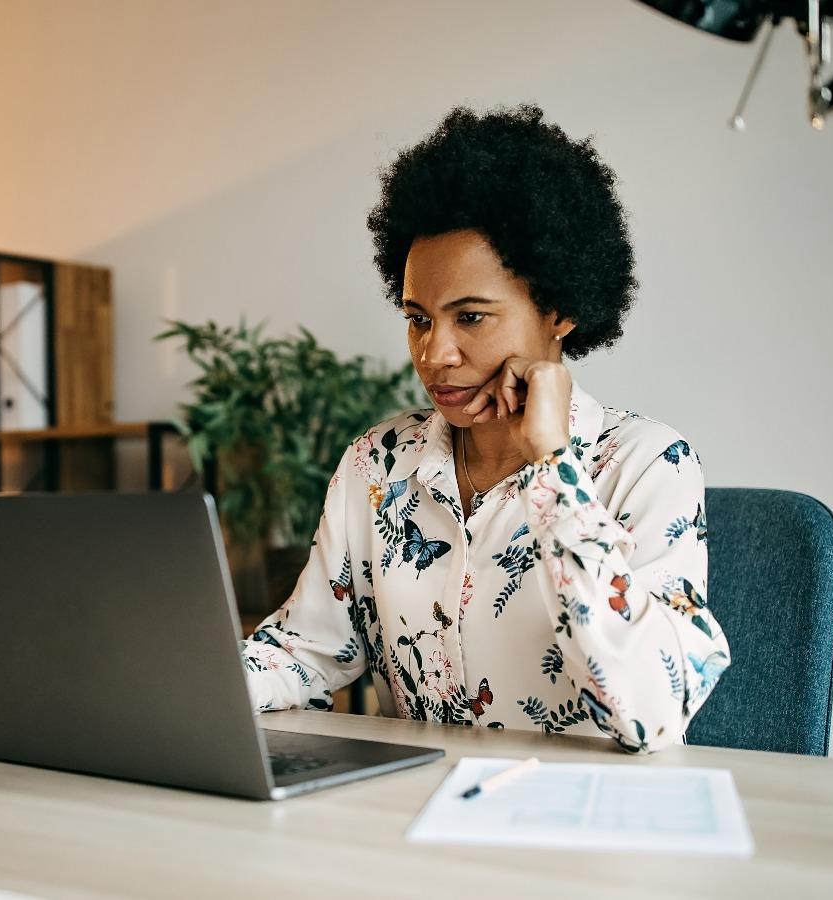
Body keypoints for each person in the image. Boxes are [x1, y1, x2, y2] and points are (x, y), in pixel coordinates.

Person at [240, 104, 728, 753]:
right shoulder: (378, 463)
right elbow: (308, 648)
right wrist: (176, 679)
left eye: (470, 317)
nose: (433, 353)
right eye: (418, 319)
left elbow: (652, 713)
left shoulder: (647, 465)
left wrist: (553, 467)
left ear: (560, 311)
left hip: (581, 809)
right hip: (413, 804)